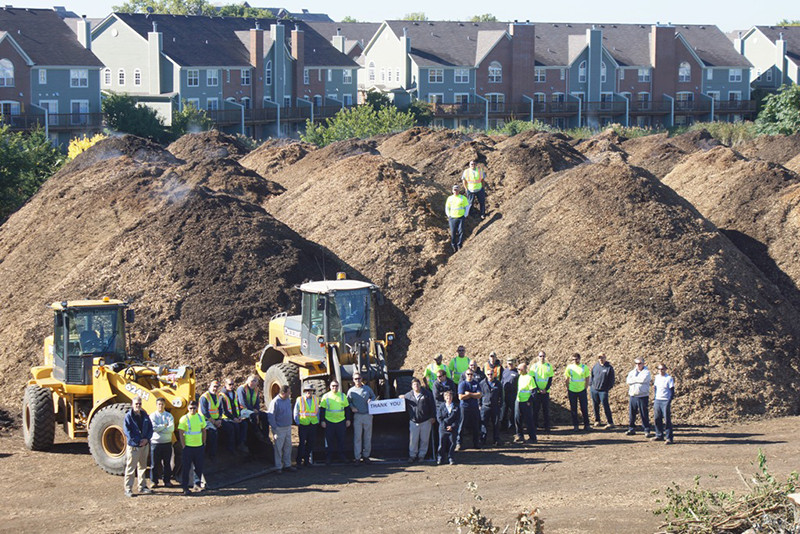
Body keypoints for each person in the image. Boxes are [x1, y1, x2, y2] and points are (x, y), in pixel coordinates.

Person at [123, 395, 153, 497]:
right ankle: (128, 489)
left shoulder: (144, 415)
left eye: (140, 404)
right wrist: (137, 441)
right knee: (131, 468)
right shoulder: (128, 416)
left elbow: (150, 428)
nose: (138, 405)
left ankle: (142, 486)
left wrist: (146, 439)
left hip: (144, 445)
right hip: (134, 446)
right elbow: (127, 432)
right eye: (136, 404)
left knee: (142, 467)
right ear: (132, 404)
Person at [177, 399, 207, 496]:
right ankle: (185, 487)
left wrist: (203, 442)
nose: (192, 410)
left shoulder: (200, 417)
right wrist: (184, 446)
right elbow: (181, 433)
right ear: (187, 408)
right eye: (190, 408)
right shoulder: (184, 418)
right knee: (186, 468)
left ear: (197, 408)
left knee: (198, 467)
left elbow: (203, 430)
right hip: (189, 447)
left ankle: (197, 484)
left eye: (194, 408)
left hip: (198, 446)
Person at [199, 380, 234, 461]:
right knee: (213, 432)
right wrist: (214, 422)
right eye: (214, 387)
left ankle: (230, 449)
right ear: (209, 386)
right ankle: (212, 455)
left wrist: (219, 420)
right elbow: (205, 413)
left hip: (216, 419)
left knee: (230, 428)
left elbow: (220, 409)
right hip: (205, 420)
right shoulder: (204, 397)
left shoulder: (218, 396)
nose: (215, 388)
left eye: (217, 387)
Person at [403, 377, 436, 462]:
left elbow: (432, 405)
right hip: (414, 421)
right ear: (412, 386)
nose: (416, 386)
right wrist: (400, 397)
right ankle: (412, 455)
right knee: (413, 440)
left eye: (417, 384)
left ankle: (422, 455)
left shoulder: (427, 394)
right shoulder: (408, 396)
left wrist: (433, 416)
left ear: (420, 385)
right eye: (414, 384)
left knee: (424, 440)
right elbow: (400, 401)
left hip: (426, 421)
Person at [347, 372, 377, 465]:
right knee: (357, 437)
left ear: (361, 379)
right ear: (353, 380)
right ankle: (357, 457)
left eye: (359, 378)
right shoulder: (351, 391)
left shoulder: (367, 389)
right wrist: (352, 407)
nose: (357, 380)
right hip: (358, 416)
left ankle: (366, 456)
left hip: (367, 415)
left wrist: (371, 400)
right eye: (355, 379)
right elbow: (348, 402)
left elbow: (373, 396)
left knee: (367, 437)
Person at [320, 380, 351, 465]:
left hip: (341, 422)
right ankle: (329, 457)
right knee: (329, 440)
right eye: (333, 386)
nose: (335, 387)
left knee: (341, 440)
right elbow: (322, 410)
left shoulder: (342, 396)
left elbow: (347, 408)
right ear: (330, 386)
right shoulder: (326, 396)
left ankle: (341, 456)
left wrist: (348, 419)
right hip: (329, 421)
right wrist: (322, 420)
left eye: (336, 386)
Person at [268, 385, 295, 473]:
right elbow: (271, 416)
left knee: (288, 446)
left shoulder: (287, 400)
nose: (290, 393)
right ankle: (278, 466)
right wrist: (275, 428)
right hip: (279, 428)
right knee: (278, 448)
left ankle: (287, 465)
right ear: (283, 393)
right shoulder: (275, 402)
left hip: (287, 427)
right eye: (288, 392)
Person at [149, 397, 174, 489]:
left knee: (167, 463)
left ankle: (167, 481)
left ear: (165, 405)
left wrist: (160, 429)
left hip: (167, 443)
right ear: (156, 405)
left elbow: (171, 429)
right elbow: (153, 428)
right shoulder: (152, 416)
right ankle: (154, 481)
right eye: (159, 404)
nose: (161, 406)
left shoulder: (169, 416)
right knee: (154, 464)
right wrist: (164, 426)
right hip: (155, 443)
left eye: (162, 404)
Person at [294, 383, 320, 467]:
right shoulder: (300, 399)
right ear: (305, 391)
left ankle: (306, 460)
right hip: (303, 424)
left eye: (310, 391)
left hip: (313, 424)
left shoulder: (316, 399)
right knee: (302, 443)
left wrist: (317, 420)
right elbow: (296, 412)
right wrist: (297, 422)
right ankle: (298, 461)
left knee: (310, 443)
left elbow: (317, 411)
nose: (309, 392)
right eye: (307, 390)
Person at [626, 358, 653, 438]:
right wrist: (636, 380)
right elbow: (628, 381)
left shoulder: (647, 373)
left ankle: (646, 430)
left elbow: (643, 379)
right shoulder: (632, 372)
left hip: (642, 396)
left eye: (640, 363)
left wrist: (633, 380)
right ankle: (631, 428)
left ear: (643, 363)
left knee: (644, 413)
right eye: (636, 363)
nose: (638, 365)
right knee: (632, 413)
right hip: (633, 395)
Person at [237, 375, 269, 439]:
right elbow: (243, 403)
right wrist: (253, 410)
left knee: (264, 415)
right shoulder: (242, 388)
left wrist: (257, 409)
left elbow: (257, 402)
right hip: (243, 409)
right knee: (253, 416)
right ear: (249, 381)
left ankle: (265, 435)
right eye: (252, 381)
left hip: (252, 409)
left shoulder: (256, 389)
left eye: (255, 381)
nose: (254, 383)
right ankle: (256, 432)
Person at [221, 377, 248, 453]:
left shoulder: (234, 393)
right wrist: (233, 418)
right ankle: (232, 448)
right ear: (225, 385)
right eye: (230, 384)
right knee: (233, 427)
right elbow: (224, 411)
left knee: (244, 424)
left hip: (234, 417)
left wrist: (239, 416)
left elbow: (237, 406)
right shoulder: (222, 395)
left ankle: (241, 444)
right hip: (226, 418)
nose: (232, 386)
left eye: (233, 384)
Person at [565, 352, 591, 432]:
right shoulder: (569, 367)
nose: (575, 361)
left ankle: (587, 425)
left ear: (579, 359)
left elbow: (587, 377)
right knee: (573, 409)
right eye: (573, 359)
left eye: (576, 359)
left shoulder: (584, 367)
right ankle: (575, 425)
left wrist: (585, 387)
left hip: (581, 390)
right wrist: (568, 387)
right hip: (572, 390)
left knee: (584, 408)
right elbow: (566, 377)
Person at [457, 368, 482, 450]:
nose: (470, 376)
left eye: (471, 374)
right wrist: (473, 395)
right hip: (465, 407)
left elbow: (479, 395)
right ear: (465, 375)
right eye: (468, 374)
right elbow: (461, 397)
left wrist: (469, 394)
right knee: (462, 425)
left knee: (475, 425)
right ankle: (459, 443)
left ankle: (476, 443)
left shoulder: (476, 383)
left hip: (474, 407)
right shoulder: (462, 384)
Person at [479, 359, 503, 446]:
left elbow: (501, 396)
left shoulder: (498, 384)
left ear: (494, 374)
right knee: (483, 424)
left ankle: (496, 439)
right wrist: (479, 405)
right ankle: (483, 440)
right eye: (488, 374)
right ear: (486, 374)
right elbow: (479, 395)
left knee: (496, 424)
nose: (490, 376)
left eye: (491, 374)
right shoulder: (482, 383)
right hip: (485, 406)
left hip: (495, 406)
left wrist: (500, 405)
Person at [590, 352, 616, 429]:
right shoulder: (595, 366)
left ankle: (610, 422)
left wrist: (607, 388)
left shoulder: (609, 368)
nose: (601, 359)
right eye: (599, 358)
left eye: (602, 357)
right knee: (595, 405)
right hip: (594, 390)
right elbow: (592, 376)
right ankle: (597, 420)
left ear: (605, 358)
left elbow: (611, 380)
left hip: (603, 390)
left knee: (605, 405)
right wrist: (591, 385)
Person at [652, 363, 675, 444]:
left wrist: (669, 399)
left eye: (662, 369)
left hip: (665, 400)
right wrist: (655, 398)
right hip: (658, 400)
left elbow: (672, 390)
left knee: (667, 419)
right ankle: (659, 435)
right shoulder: (657, 377)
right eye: (659, 369)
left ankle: (669, 437)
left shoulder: (669, 378)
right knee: (657, 418)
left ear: (665, 369)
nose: (661, 371)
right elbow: (655, 388)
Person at [531, 351, 554, 433]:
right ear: (538, 357)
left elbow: (550, 379)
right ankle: (535, 425)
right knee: (535, 410)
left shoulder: (548, 366)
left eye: (543, 356)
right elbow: (532, 378)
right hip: (537, 392)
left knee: (546, 410)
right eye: (540, 356)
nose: (542, 357)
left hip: (545, 392)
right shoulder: (534, 366)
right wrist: (538, 389)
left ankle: (547, 426)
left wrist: (546, 389)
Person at [514, 362, 537, 443]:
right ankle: (519, 436)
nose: (518, 370)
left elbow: (533, 391)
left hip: (526, 402)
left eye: (519, 369)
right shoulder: (520, 377)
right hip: (518, 401)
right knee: (517, 419)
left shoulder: (529, 378)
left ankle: (532, 437)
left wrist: (529, 401)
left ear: (524, 369)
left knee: (528, 420)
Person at [437, 390, 460, 465]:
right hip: (443, 429)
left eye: (450, 396)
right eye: (447, 397)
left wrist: (452, 426)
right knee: (441, 444)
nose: (448, 398)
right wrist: (445, 426)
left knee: (452, 444)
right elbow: (439, 418)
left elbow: (458, 419)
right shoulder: (441, 406)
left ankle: (451, 458)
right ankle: (440, 458)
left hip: (452, 429)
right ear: (444, 398)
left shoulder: (456, 407)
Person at [445, 185, 469, 252]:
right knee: (453, 232)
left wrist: (465, 215)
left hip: (461, 217)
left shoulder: (463, 198)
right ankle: (454, 246)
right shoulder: (450, 198)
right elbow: (447, 207)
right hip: (452, 218)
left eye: (457, 190)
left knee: (461, 231)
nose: (455, 191)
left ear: (459, 190)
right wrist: (449, 215)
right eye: (454, 190)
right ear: (452, 191)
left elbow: (467, 207)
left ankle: (459, 245)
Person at [500, 357, 519, 432]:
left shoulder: (517, 372)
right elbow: (502, 381)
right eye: (508, 363)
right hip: (505, 394)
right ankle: (503, 427)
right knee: (504, 411)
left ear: (514, 363)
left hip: (513, 394)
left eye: (511, 363)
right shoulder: (505, 371)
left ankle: (512, 427)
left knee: (512, 411)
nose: (510, 365)